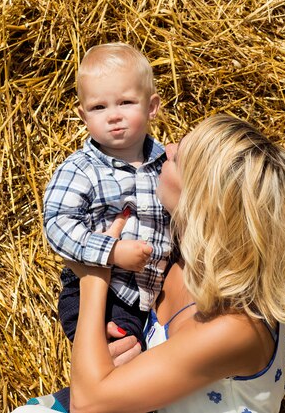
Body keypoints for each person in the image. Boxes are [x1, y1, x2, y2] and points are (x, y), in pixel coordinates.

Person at [15, 114, 285, 413]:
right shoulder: (177, 259)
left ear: (200, 201)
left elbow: (89, 403)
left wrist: (94, 273)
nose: (166, 148)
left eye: (178, 158)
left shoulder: (237, 326)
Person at [33, 42, 172, 411]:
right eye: (99, 107)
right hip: (100, 296)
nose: (113, 115)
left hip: (149, 300)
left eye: (125, 102)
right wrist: (110, 251)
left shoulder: (164, 166)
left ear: (152, 106)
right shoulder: (80, 170)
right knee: (121, 369)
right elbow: (58, 226)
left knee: (145, 371)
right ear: (83, 115)